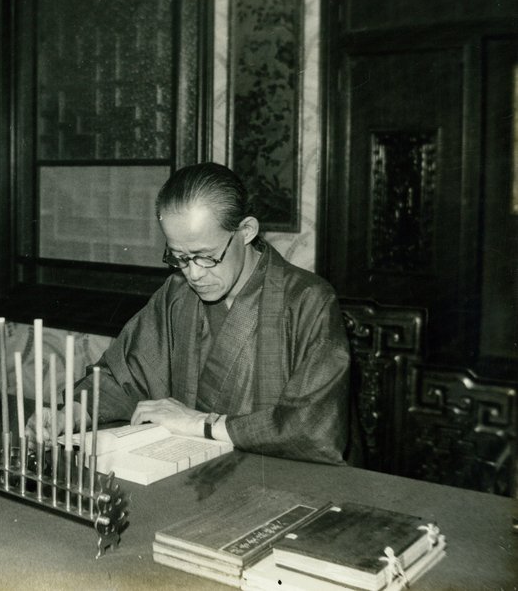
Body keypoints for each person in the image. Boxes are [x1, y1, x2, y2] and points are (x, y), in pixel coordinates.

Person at [27, 162, 350, 464]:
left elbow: (314, 428)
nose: (193, 274)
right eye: (179, 257)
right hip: (189, 469)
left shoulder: (309, 301)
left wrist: (200, 423)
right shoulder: (177, 293)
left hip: (279, 480)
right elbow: (123, 377)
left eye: (206, 256)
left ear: (247, 230)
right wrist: (71, 413)